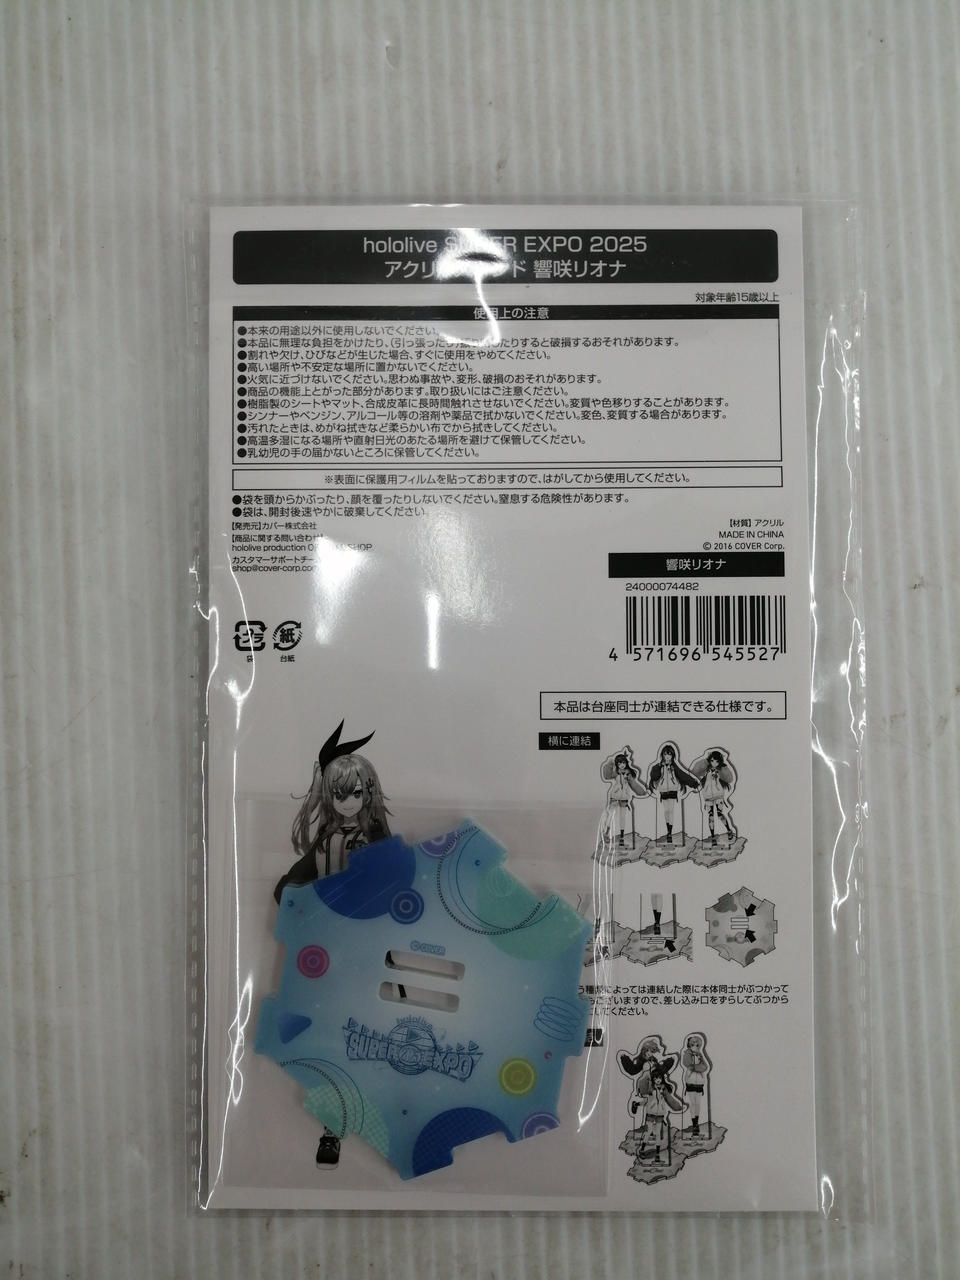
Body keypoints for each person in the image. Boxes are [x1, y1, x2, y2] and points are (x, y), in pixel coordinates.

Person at [272, 721, 391, 1166]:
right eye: (340, 794)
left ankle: (357, 1118)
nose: (348, 802)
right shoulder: (326, 840)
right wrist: (292, 894)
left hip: (364, 953)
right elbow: (292, 883)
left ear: (368, 793)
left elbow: (392, 885)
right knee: (330, 1037)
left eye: (355, 792)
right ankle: (333, 1124)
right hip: (324, 955)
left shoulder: (375, 842)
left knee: (363, 1033)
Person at [647, 743, 699, 847]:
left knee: (671, 810)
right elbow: (654, 776)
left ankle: (669, 833)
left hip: (673, 790)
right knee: (666, 811)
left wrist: (694, 783)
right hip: (663, 790)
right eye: (665, 754)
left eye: (669, 754)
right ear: (662, 755)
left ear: (672, 756)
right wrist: (658, 766)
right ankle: (668, 830)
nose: (667, 757)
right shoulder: (659, 766)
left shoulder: (674, 767)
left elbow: (683, 775)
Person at [600, 748, 647, 848]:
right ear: (617, 764)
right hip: (614, 797)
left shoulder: (628, 773)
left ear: (626, 763)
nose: (622, 765)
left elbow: (634, 785)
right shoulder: (615, 772)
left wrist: (642, 792)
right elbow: (606, 775)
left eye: (623, 763)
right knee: (611, 816)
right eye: (619, 763)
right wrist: (610, 763)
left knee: (622, 817)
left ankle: (621, 837)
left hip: (624, 798)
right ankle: (606, 833)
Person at [691, 748, 737, 846]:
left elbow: (730, 779)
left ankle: (729, 830)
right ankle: (712, 837)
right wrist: (705, 761)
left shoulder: (720, 770)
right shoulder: (706, 770)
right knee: (711, 816)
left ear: (719, 762)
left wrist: (724, 767)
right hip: (707, 796)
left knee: (720, 814)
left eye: (716, 761)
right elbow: (694, 771)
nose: (714, 763)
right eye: (712, 760)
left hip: (718, 795)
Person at [681, 1032, 712, 1137]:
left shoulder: (699, 1054)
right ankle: (694, 1123)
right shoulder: (687, 1053)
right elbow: (687, 1064)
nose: (695, 1045)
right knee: (692, 1103)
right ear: (689, 1044)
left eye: (696, 1043)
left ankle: (696, 1123)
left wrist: (696, 1067)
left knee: (698, 1103)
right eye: (692, 1043)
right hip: (690, 1081)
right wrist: (697, 1067)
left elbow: (705, 1066)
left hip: (699, 1082)